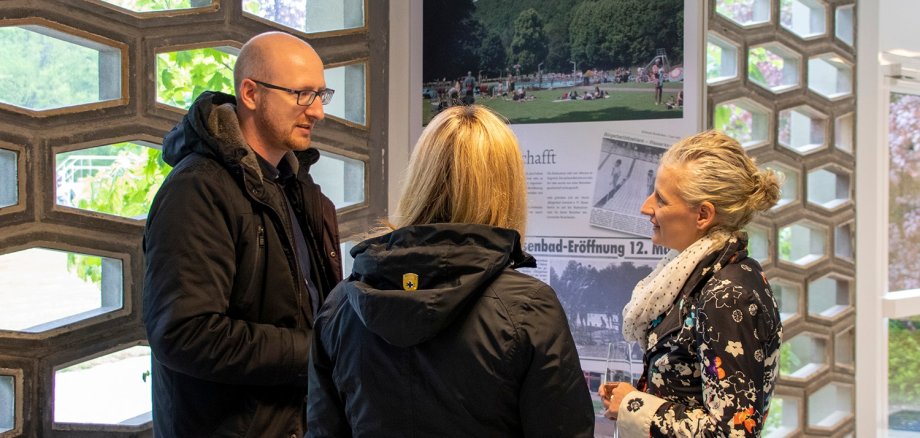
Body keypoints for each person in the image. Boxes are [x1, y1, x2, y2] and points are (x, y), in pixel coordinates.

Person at [307, 105, 594, 438]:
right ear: (508, 187)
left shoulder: (342, 306)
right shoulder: (528, 308)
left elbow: (322, 430)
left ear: (419, 178)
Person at [143, 31, 343, 437]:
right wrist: (319, 350)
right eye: (303, 94)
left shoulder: (299, 188)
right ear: (250, 93)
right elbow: (185, 334)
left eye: (322, 94)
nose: (318, 111)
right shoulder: (197, 190)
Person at [600, 130, 782, 437]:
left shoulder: (727, 294)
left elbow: (732, 432)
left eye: (660, 198)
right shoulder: (701, 276)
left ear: (703, 215)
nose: (646, 207)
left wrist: (633, 405)